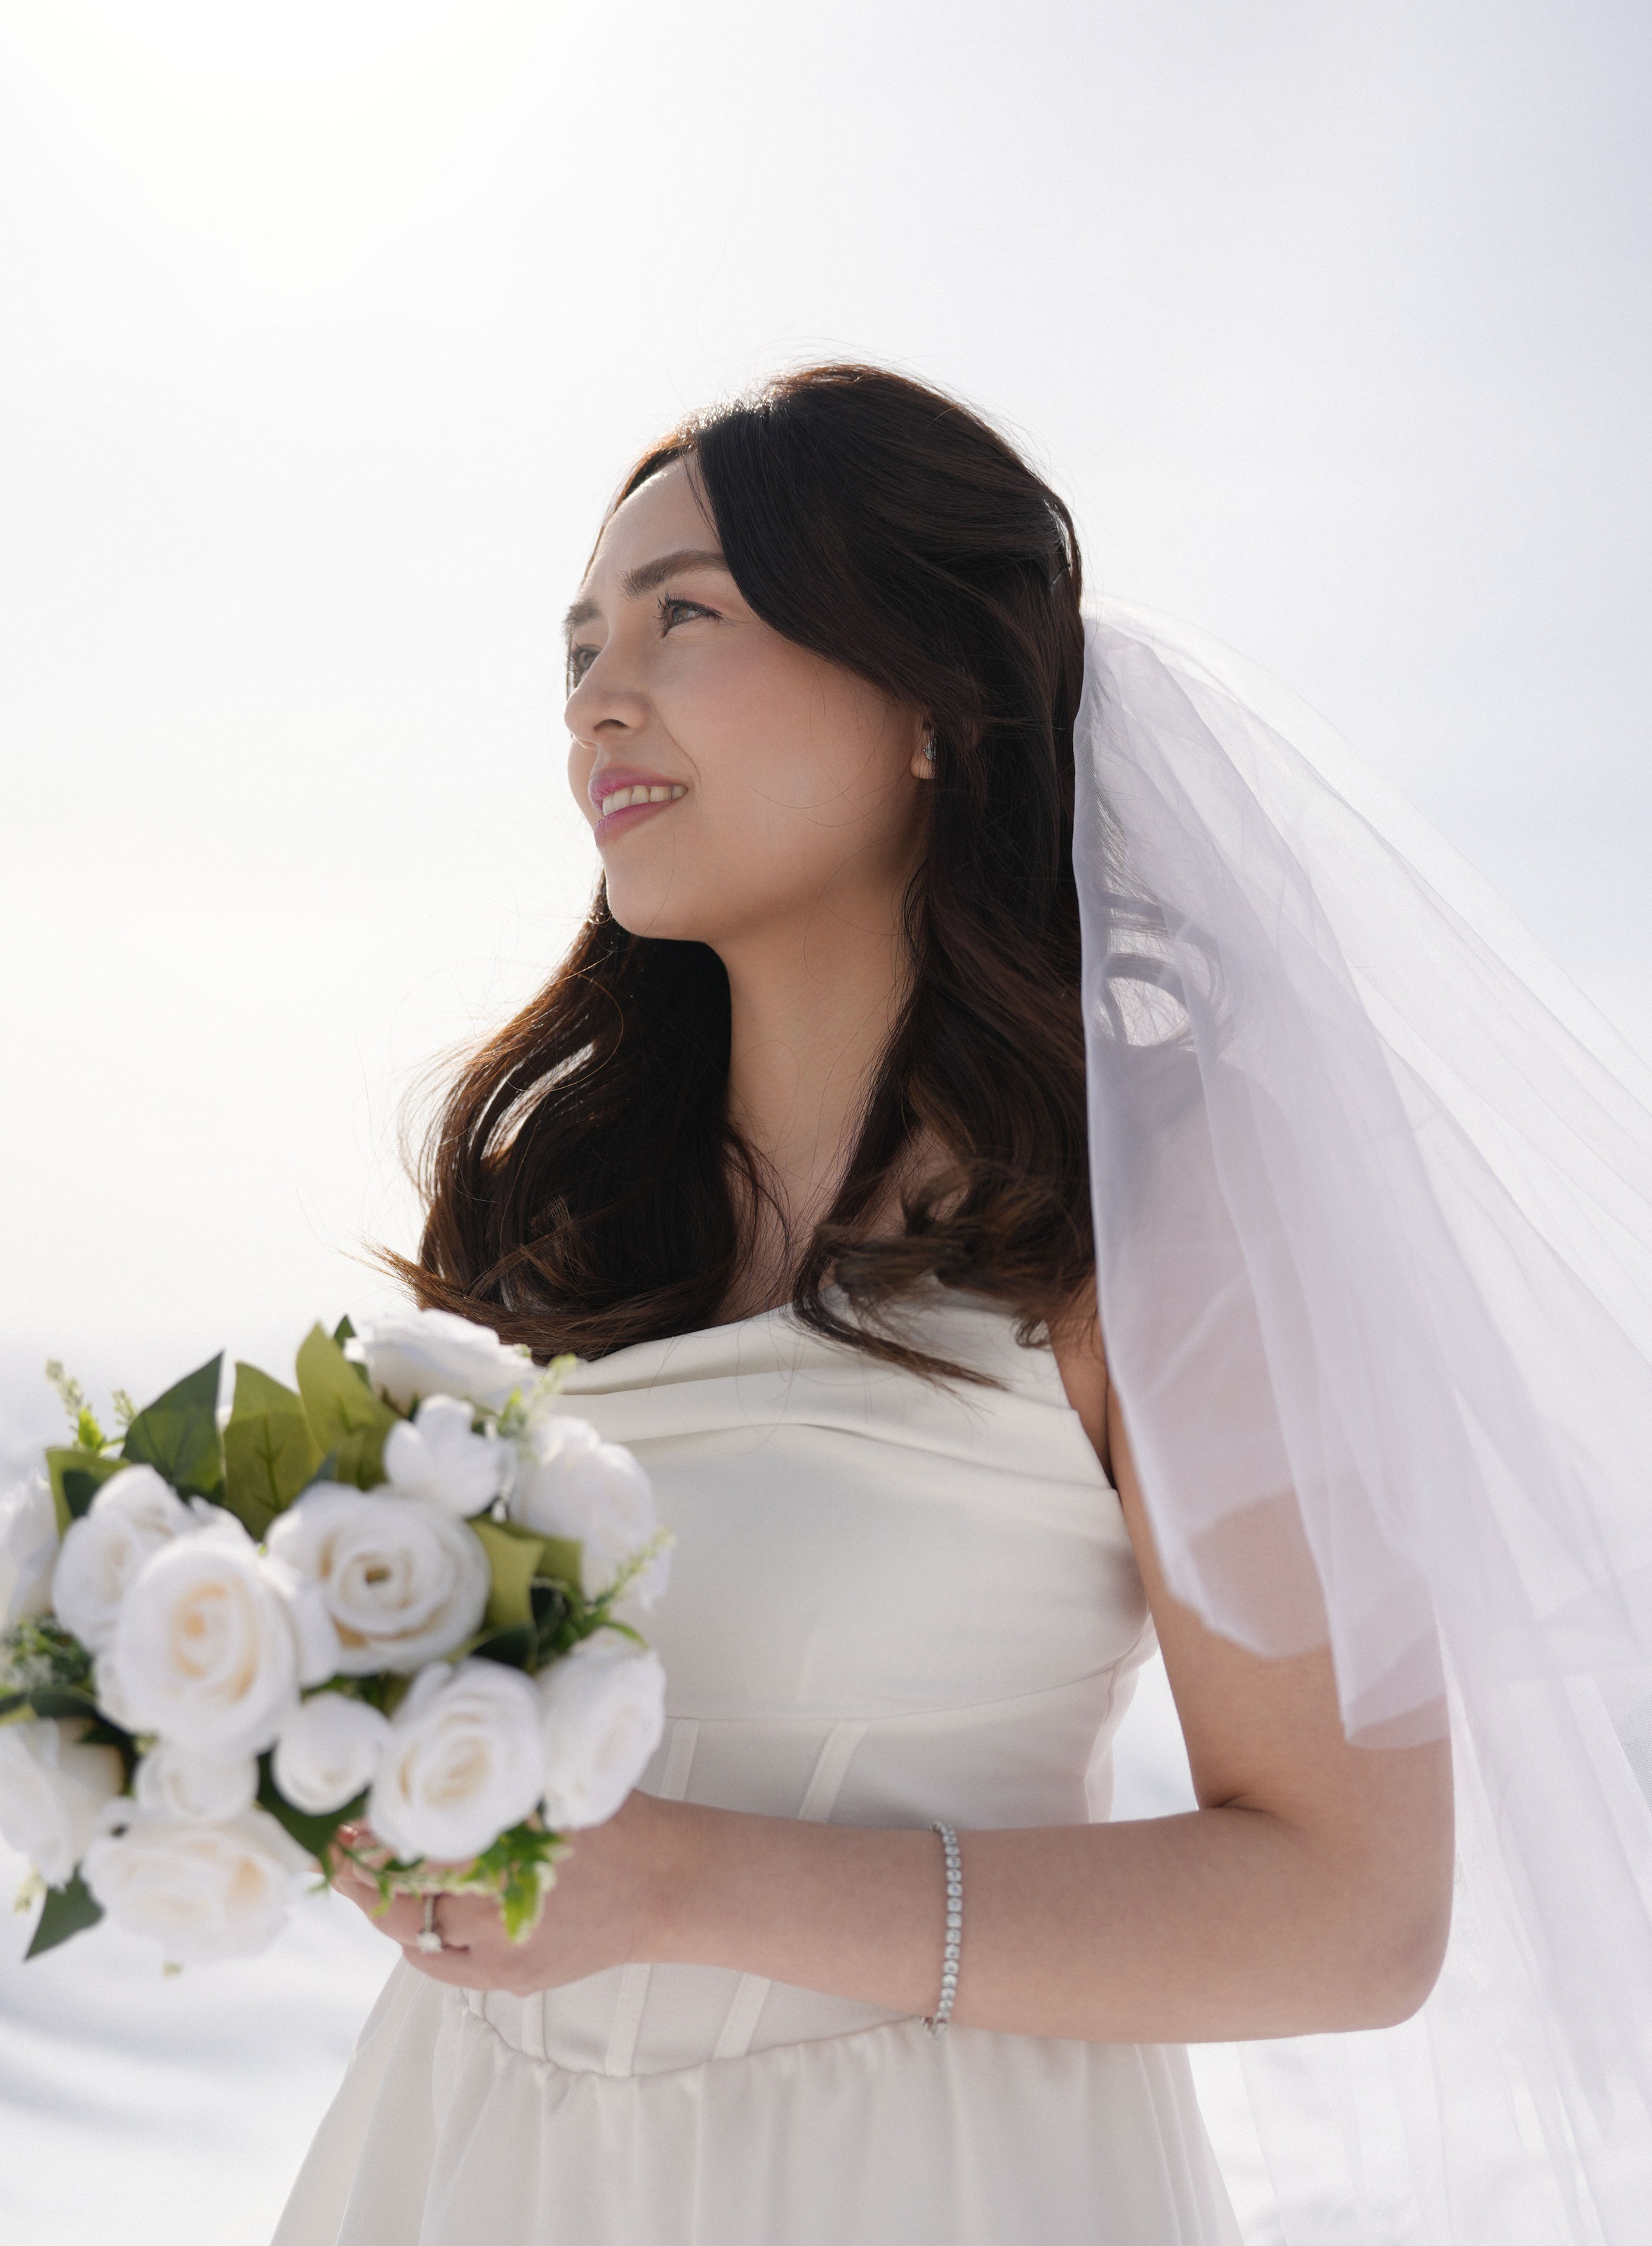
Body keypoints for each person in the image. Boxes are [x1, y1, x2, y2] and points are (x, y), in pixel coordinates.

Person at [274, 366, 1652, 2245]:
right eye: (581, 642)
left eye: (687, 615)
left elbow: (1355, 1912)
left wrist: (680, 1889)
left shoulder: (1152, 1214)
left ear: (925, 698)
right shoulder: (568, 1220)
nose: (602, 693)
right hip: (471, 2167)